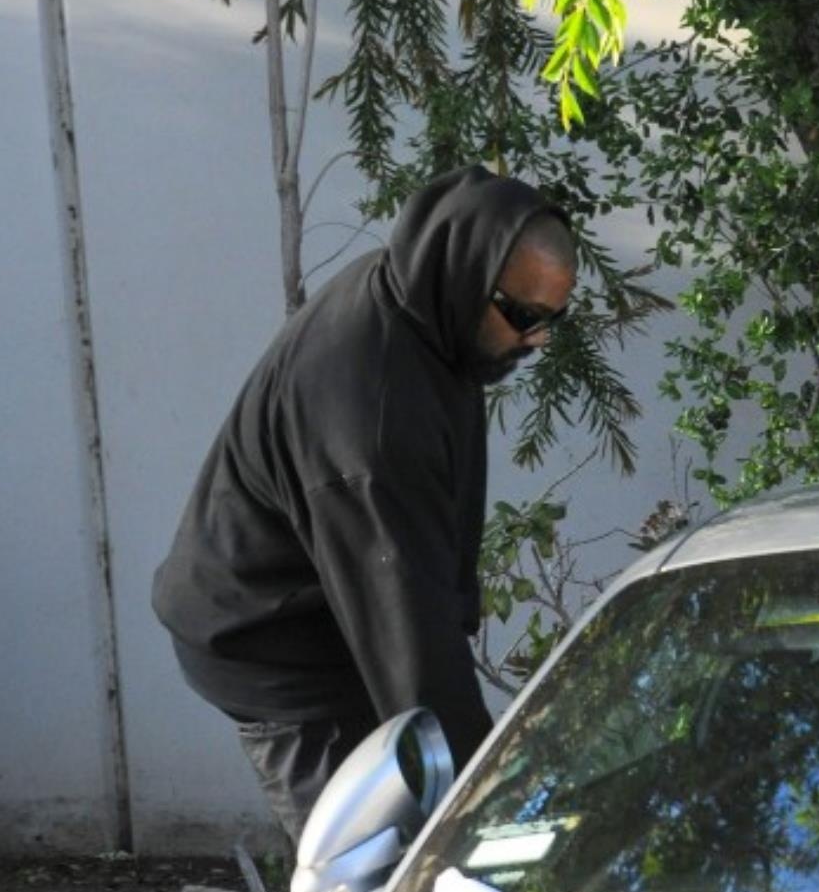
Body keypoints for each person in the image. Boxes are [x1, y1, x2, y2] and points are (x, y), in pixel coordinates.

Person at [152, 165, 577, 845]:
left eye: (554, 318)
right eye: (525, 316)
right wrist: (484, 812)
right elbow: (410, 639)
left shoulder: (423, 302)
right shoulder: (374, 423)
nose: (538, 340)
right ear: (464, 277)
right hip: (265, 639)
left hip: (334, 596)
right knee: (377, 874)